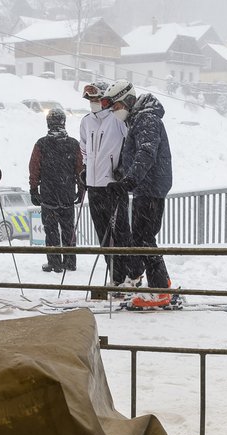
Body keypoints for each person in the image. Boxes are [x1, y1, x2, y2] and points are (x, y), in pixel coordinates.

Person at [101, 80, 178, 309]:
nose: (115, 112)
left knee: (144, 239)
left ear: (127, 101)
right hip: (146, 186)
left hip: (151, 185)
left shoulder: (146, 119)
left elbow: (146, 152)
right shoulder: (139, 119)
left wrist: (130, 180)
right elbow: (136, 154)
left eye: (115, 107)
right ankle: (159, 283)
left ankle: (161, 291)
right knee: (142, 238)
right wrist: (122, 174)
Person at [79, 80, 132, 286]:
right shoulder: (86, 121)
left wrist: (123, 169)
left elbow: (129, 146)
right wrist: (85, 169)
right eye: (90, 99)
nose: (93, 103)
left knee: (119, 233)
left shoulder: (117, 120)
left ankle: (128, 276)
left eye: (96, 99)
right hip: (93, 187)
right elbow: (84, 147)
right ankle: (115, 276)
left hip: (113, 186)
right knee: (102, 234)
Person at [29, 108, 85, 273]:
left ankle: (54, 262)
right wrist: (80, 189)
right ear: (63, 123)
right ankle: (70, 261)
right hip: (67, 194)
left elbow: (34, 168)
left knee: (51, 231)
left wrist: (34, 189)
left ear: (48, 124)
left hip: (48, 196)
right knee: (68, 230)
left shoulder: (41, 144)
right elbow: (80, 169)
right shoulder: (73, 144)